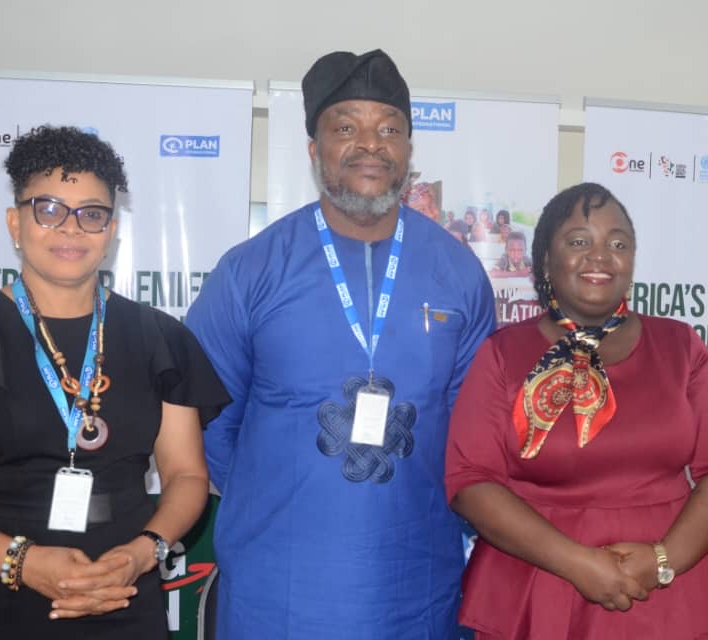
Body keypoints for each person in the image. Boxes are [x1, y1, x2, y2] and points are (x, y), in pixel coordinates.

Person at [186, 49, 496, 639]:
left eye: (390, 129)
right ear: (314, 149)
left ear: (408, 151)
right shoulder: (251, 270)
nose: (371, 144)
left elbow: (474, 434)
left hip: (417, 580)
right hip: (278, 582)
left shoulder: (458, 274)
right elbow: (204, 422)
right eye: (347, 127)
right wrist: (283, 494)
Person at [0, 126, 228, 638]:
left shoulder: (159, 335)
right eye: (49, 209)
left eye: (91, 214)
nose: (71, 228)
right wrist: (25, 562)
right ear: (14, 222)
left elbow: (187, 476)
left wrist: (143, 552)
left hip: (123, 594)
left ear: (112, 229)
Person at [446, 182, 708, 639]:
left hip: (664, 591)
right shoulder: (502, 354)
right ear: (545, 260)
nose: (600, 256)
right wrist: (577, 563)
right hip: (538, 588)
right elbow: (470, 481)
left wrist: (663, 559)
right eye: (578, 241)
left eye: (618, 244)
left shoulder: (680, 346)